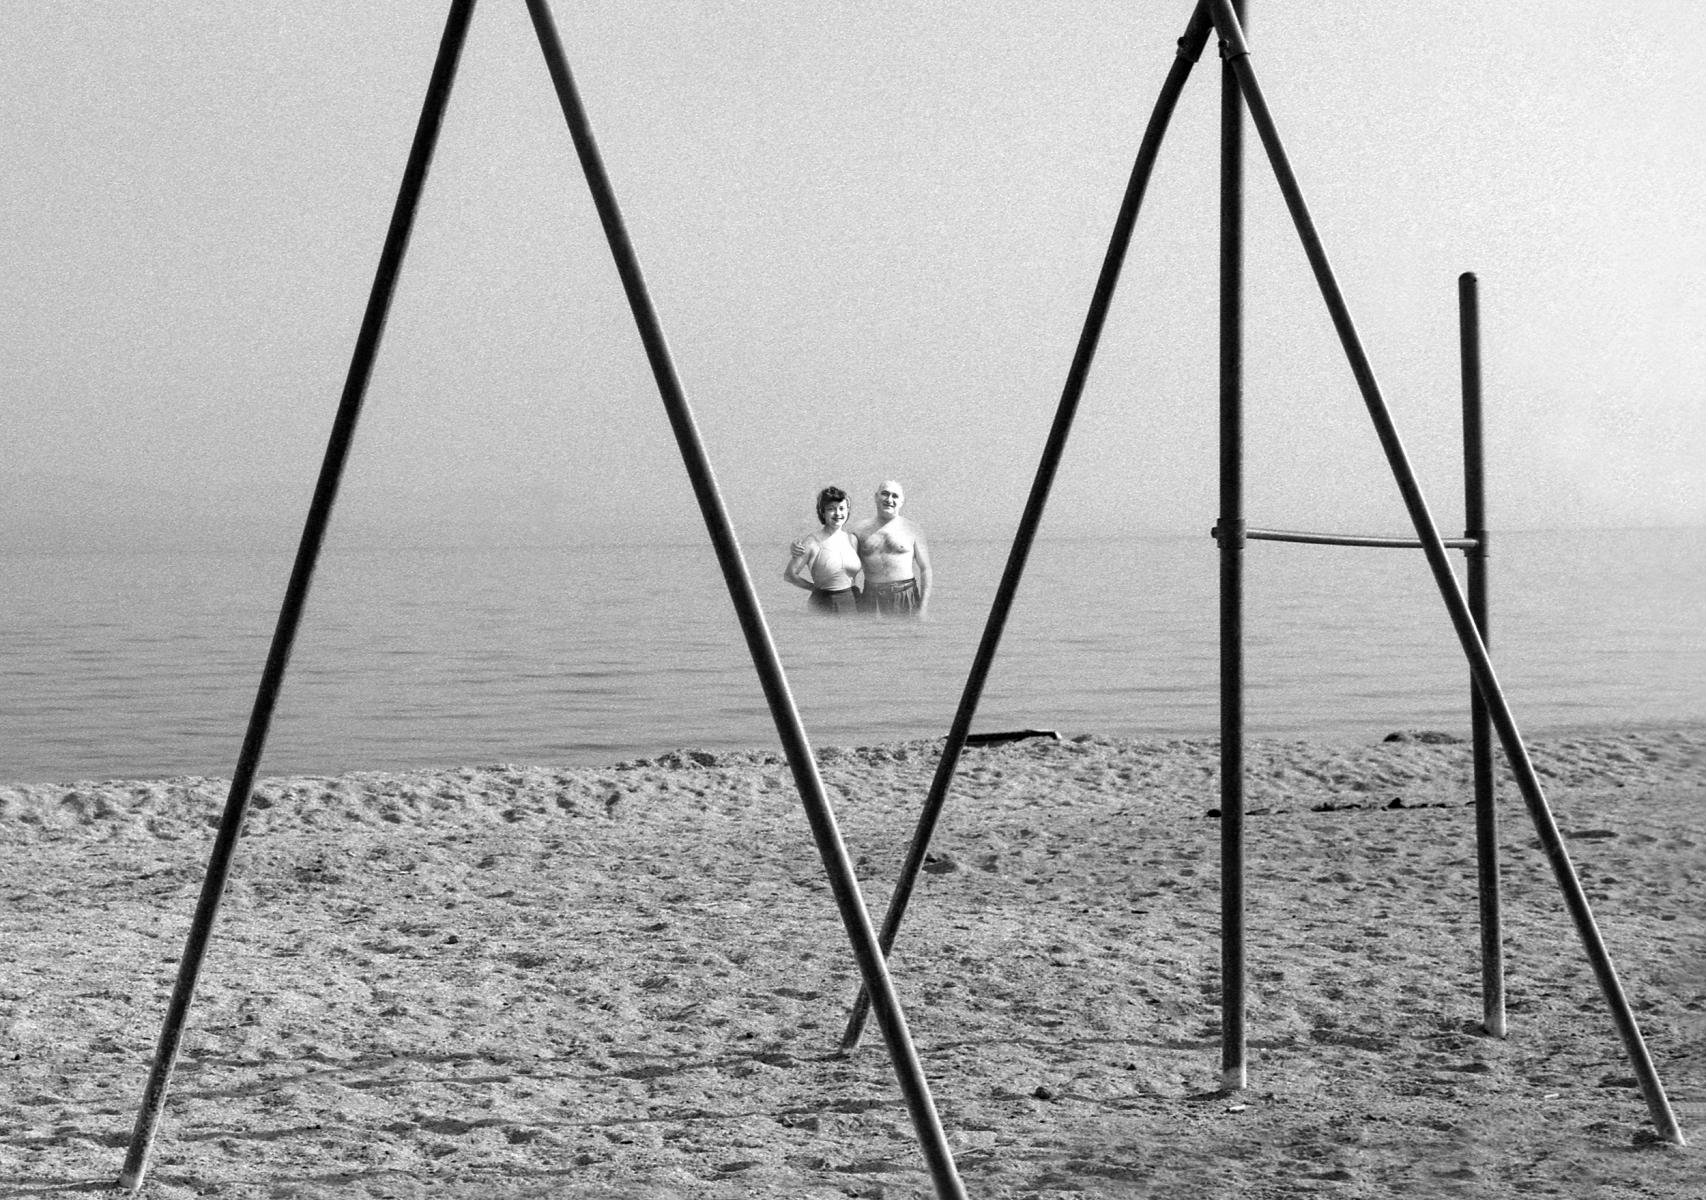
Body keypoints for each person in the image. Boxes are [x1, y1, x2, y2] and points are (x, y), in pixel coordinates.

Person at [850, 479, 931, 618]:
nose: (889, 499)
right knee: (868, 637)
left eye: (895, 496)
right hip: (870, 596)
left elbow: (925, 569)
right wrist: (854, 601)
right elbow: (849, 570)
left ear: (902, 501)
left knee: (905, 637)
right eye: (885, 494)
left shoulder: (913, 529)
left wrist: (923, 608)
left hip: (906, 595)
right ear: (876, 497)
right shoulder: (858, 530)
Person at [782, 486, 863, 614]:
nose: (838, 513)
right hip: (825, 604)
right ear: (823, 512)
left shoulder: (852, 539)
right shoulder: (811, 542)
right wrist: (814, 589)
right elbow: (790, 575)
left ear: (847, 511)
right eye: (831, 509)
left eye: (841, 508)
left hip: (852, 602)